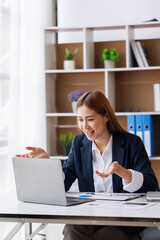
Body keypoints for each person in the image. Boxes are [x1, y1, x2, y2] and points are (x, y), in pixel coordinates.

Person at [16, 90, 159, 240]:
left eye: (90, 119)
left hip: (124, 222)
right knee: (71, 230)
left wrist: (125, 173)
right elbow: (65, 181)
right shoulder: (79, 143)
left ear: (106, 117)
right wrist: (48, 165)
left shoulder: (132, 143)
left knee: (104, 236)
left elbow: (152, 185)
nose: (85, 126)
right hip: (90, 216)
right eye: (80, 119)